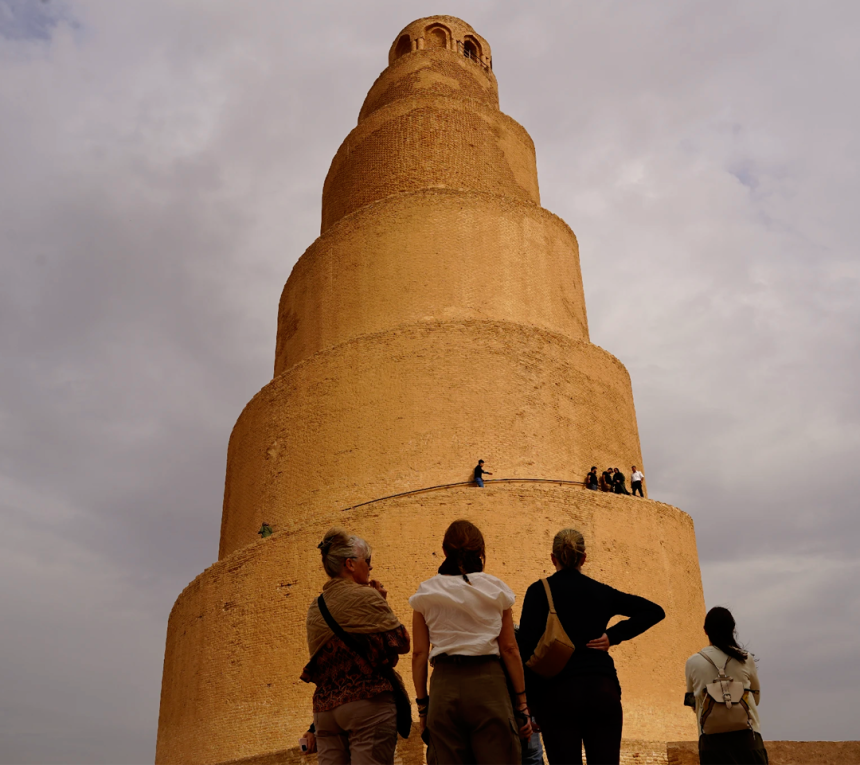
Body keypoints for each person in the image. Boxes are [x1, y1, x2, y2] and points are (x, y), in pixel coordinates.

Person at [518, 529, 665, 765]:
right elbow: (654, 611)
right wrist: (613, 636)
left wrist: (530, 705)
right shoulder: (601, 591)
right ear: (584, 558)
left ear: (553, 558)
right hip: (602, 690)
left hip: (557, 695)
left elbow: (525, 650)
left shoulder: (539, 592)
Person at [410, 519, 532, 765]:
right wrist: (522, 703)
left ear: (444, 550)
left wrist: (423, 708)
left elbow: (419, 654)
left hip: (444, 684)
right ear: (480, 552)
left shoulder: (426, 592)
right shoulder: (496, 590)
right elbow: (509, 649)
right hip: (488, 683)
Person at [302, 528, 410, 765]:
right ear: (350, 564)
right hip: (367, 702)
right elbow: (401, 642)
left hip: (326, 711)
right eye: (367, 560)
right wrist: (381, 603)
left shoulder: (315, 607)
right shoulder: (367, 597)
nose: (370, 567)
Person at [685, 607, 767, 765]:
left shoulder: (693, 662)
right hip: (748, 740)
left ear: (705, 631)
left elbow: (692, 700)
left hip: (711, 743)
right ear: (732, 629)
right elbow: (756, 698)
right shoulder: (745, 658)